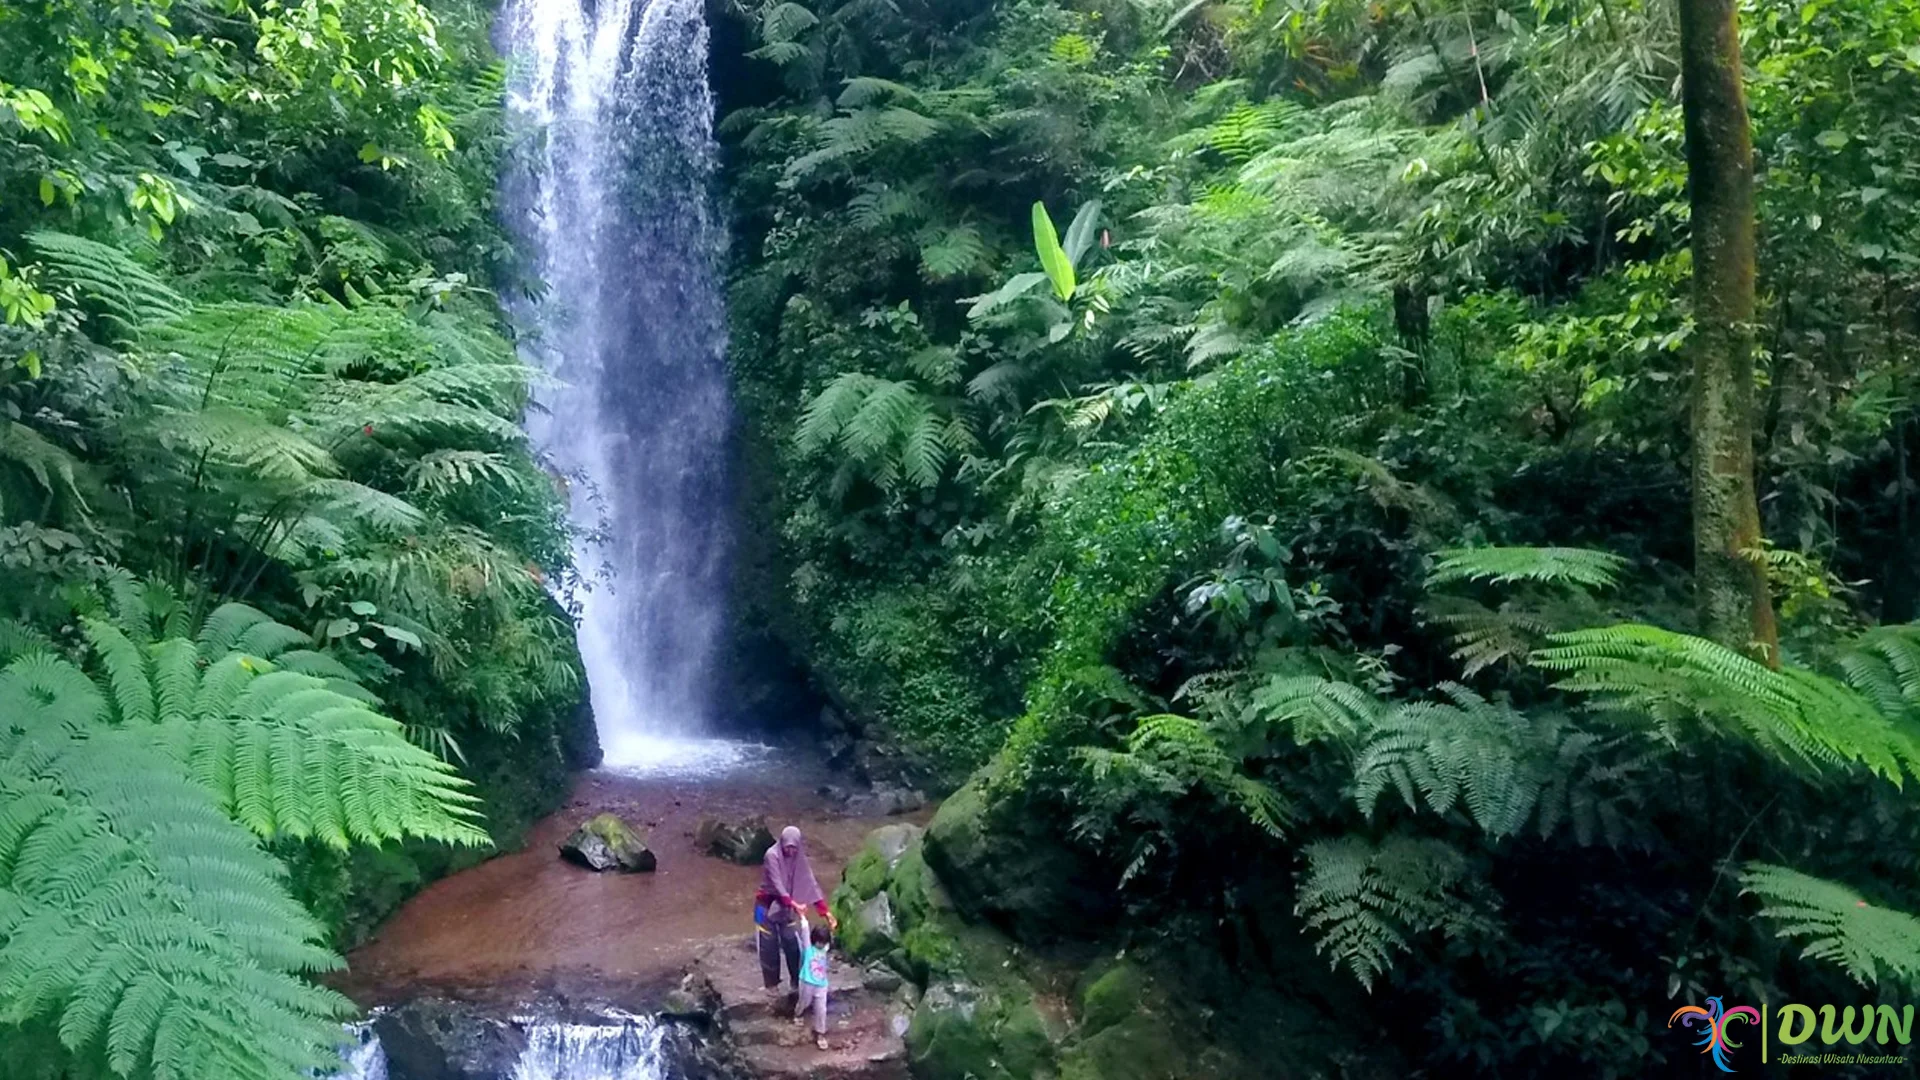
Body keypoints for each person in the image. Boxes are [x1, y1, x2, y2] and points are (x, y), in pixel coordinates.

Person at [756, 826, 835, 1001]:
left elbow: (809, 883)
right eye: (788, 847)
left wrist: (825, 912)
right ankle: (771, 984)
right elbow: (777, 885)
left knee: (792, 943)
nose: (790, 851)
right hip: (766, 905)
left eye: (794, 847)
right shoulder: (772, 856)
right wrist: (795, 904)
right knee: (768, 945)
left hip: (788, 907)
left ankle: (796, 980)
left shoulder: (799, 859)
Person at [792, 921, 832, 1050]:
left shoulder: (825, 948)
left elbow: (830, 936)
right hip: (807, 982)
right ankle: (797, 1014)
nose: (821, 945)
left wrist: (831, 922)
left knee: (821, 1009)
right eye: (819, 942)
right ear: (814, 940)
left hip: (821, 984)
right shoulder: (808, 948)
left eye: (824, 942)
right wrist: (803, 918)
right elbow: (805, 933)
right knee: (804, 1002)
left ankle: (821, 1033)